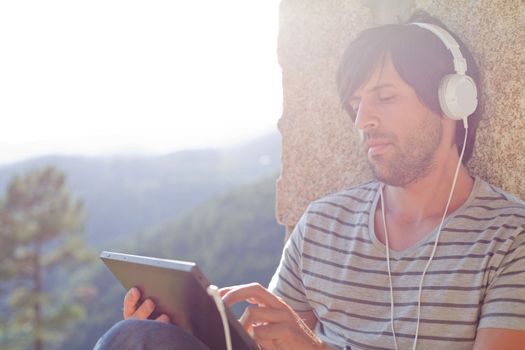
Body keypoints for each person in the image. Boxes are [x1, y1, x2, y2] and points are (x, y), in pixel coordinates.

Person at [94, 12, 525, 350]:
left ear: (454, 99)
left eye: (385, 97)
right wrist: (183, 333)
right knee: (133, 340)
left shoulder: (509, 237)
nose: (363, 119)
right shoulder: (324, 223)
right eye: (356, 104)